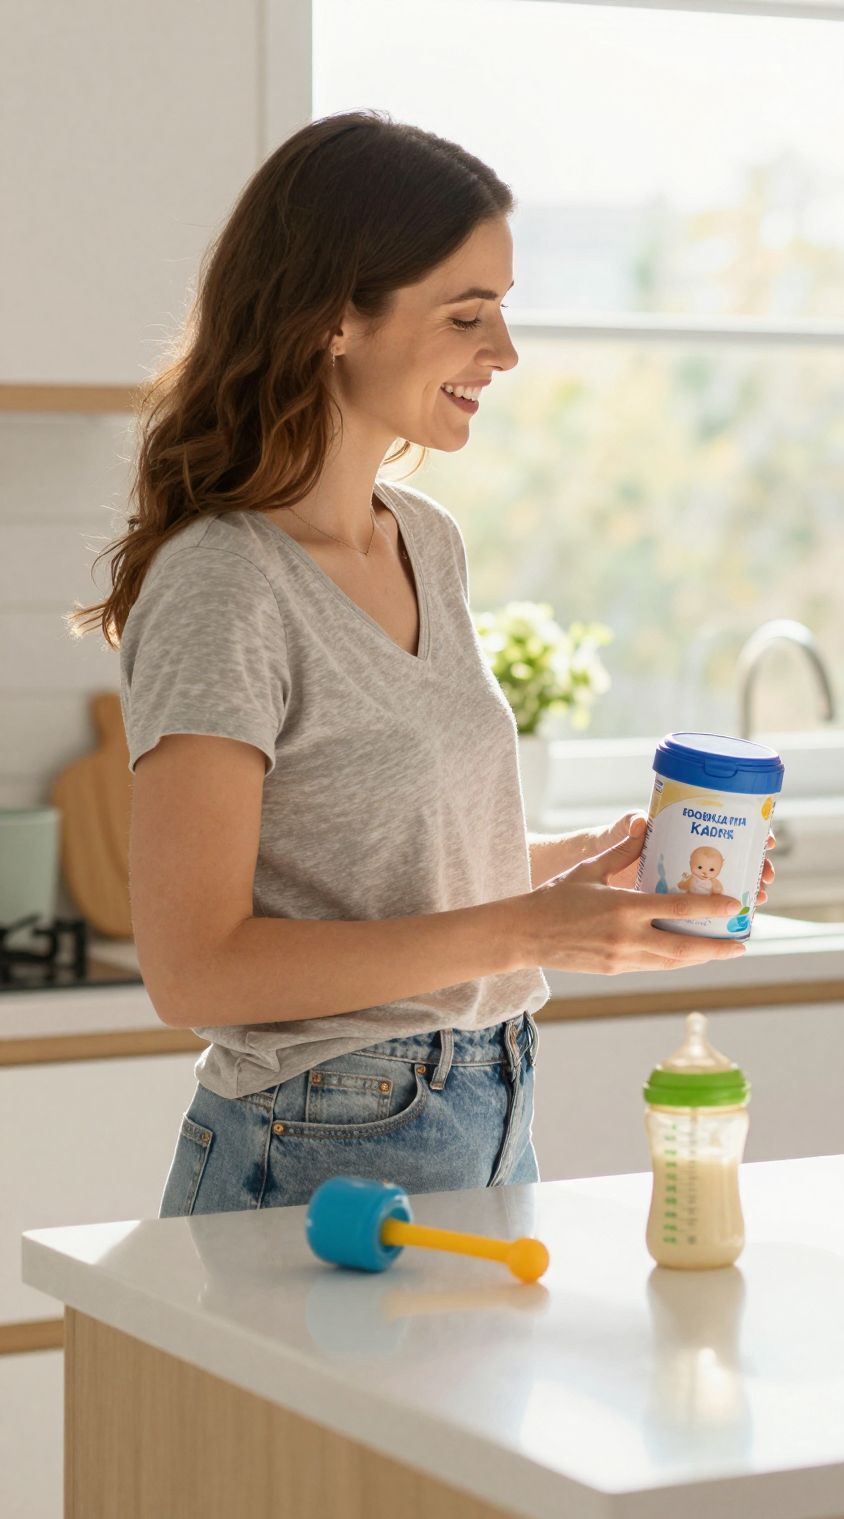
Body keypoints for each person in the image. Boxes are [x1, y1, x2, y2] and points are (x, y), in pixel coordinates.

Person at [73, 114, 755, 1215]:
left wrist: (581, 871)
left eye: (504, 310)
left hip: (489, 1098)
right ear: (337, 320)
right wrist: (531, 928)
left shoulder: (423, 540)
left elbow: (383, 865)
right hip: (314, 1137)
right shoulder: (223, 584)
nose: (505, 353)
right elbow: (194, 968)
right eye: (466, 314)